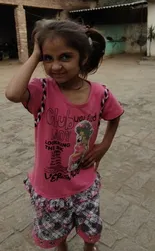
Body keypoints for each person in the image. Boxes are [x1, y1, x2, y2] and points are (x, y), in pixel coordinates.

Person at [5, 20, 123, 251]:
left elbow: (115, 116)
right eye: (48, 58)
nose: (55, 66)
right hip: (50, 188)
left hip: (85, 182)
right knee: (57, 233)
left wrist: (104, 145)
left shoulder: (100, 93)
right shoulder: (42, 90)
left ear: (84, 58)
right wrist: (35, 53)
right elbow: (12, 93)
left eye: (65, 57)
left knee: (90, 227)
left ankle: (89, 247)